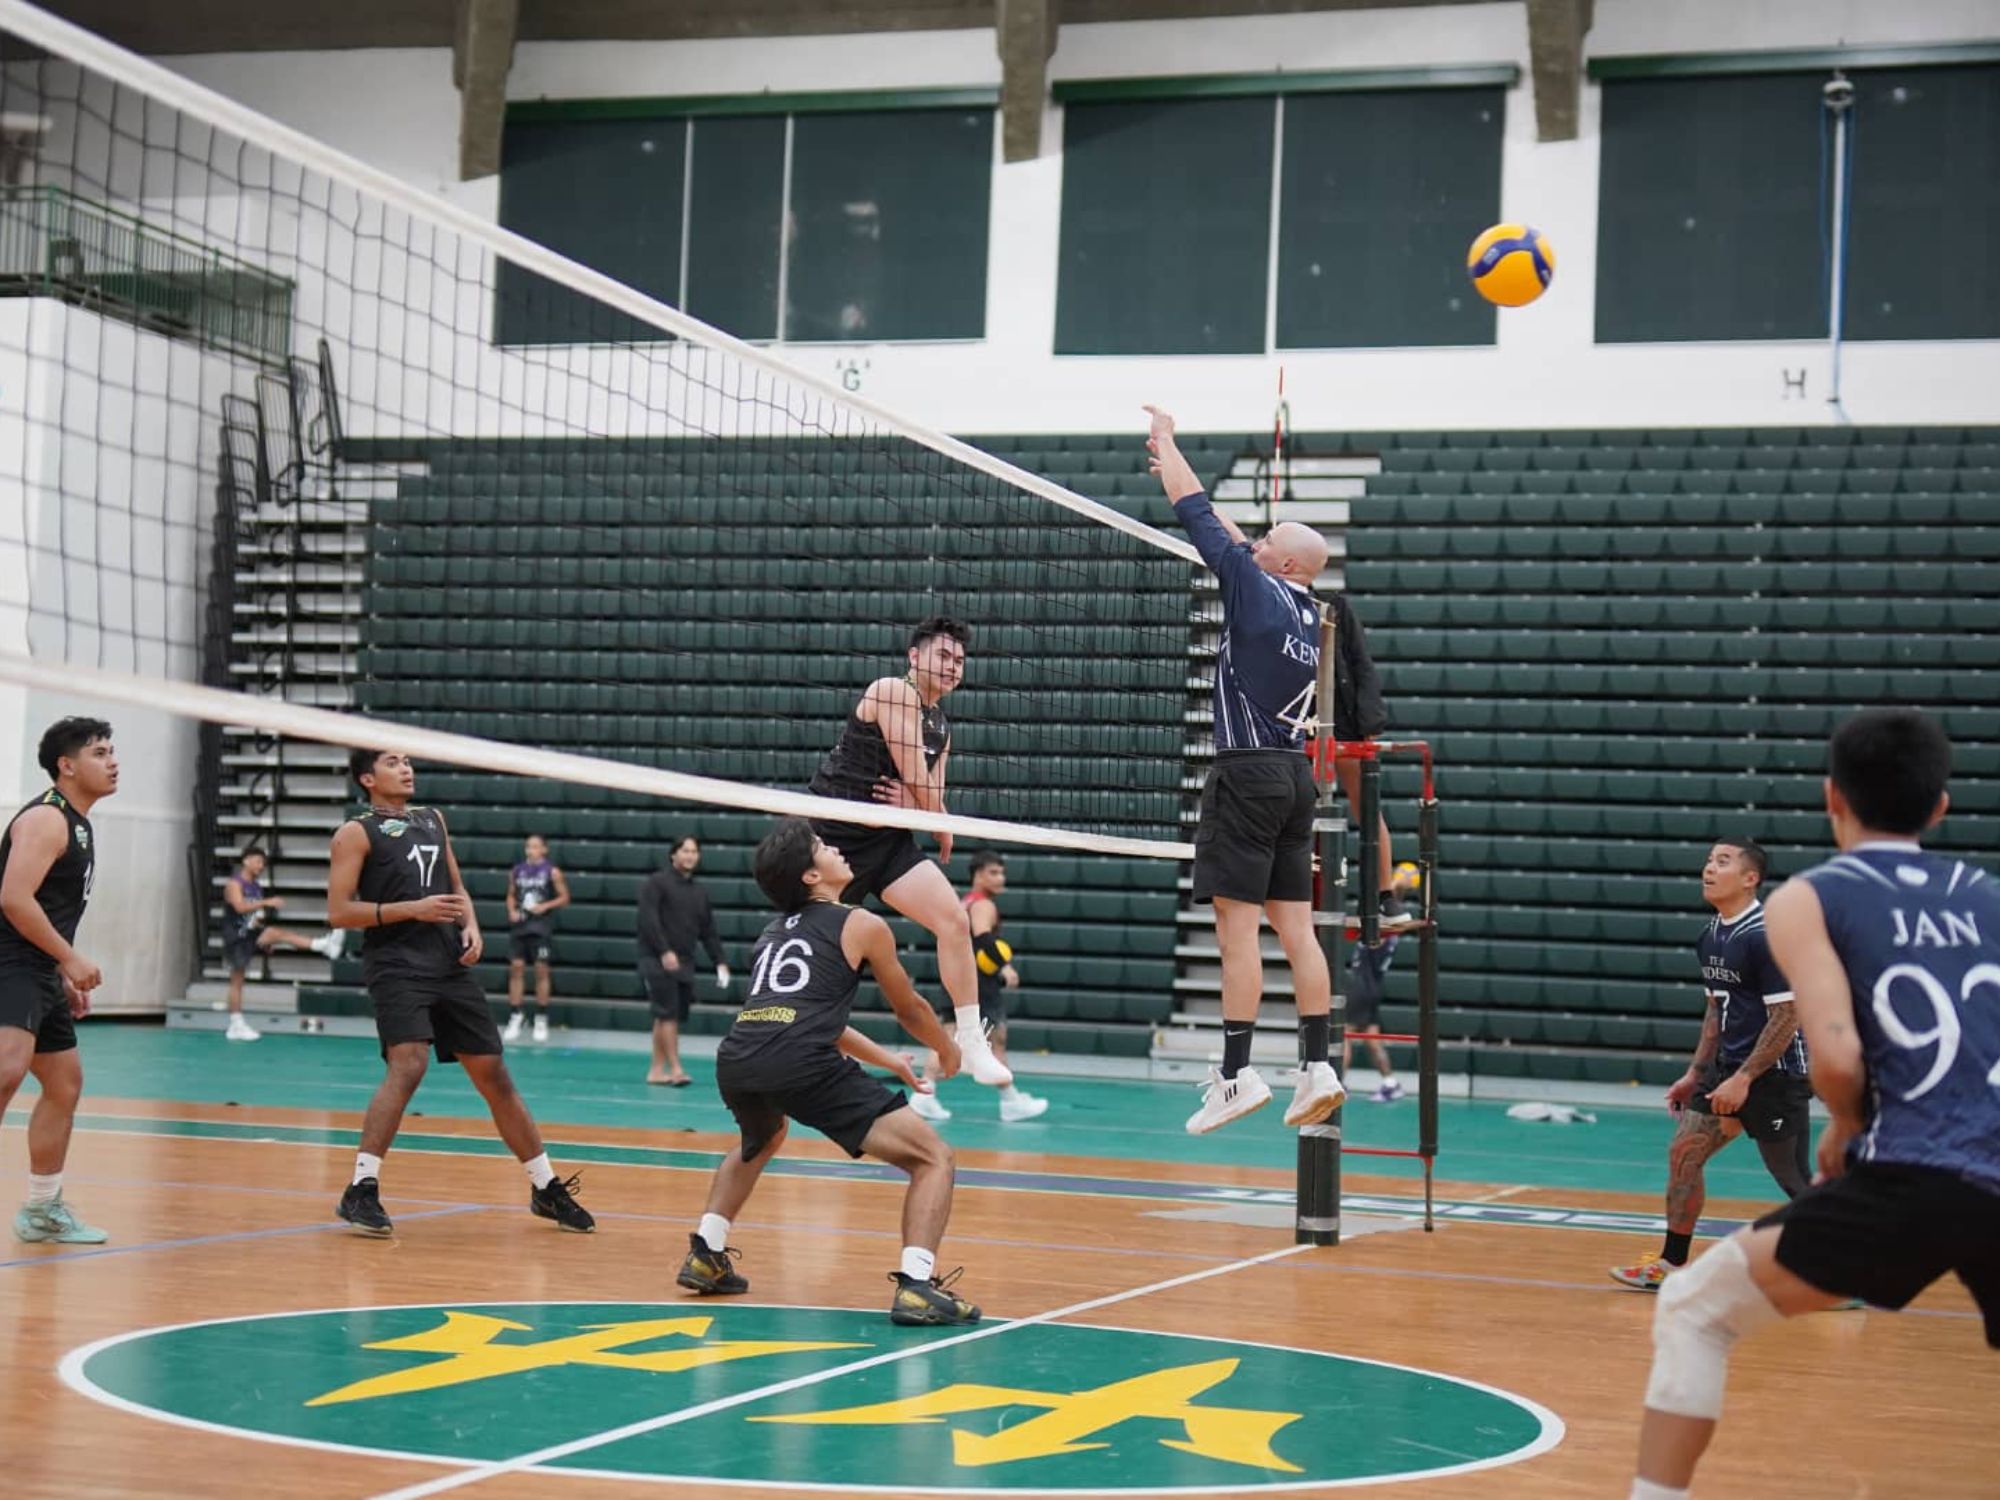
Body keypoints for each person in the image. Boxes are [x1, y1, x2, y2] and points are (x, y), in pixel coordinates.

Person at [1631, 709, 2000, 1500]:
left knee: (1696, 1310)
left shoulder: (1811, 899)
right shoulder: (1987, 893)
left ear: (1833, 798)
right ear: (1940, 807)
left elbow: (1834, 1053)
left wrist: (1850, 1127)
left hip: (1921, 1165)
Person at [675, 817, 981, 1326]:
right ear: (810, 877)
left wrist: (887, 1062)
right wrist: (948, 1049)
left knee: (761, 1140)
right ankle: (917, 1286)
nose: (835, 848)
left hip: (740, 1057)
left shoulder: (771, 933)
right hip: (797, 1061)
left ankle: (706, 1252)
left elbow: (808, 1018)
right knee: (934, 1158)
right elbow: (908, 1009)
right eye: (820, 846)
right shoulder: (861, 923)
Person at [1145, 404, 1345, 1134]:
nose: (1250, 544)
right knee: (1299, 932)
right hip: (1295, 781)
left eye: (1263, 542)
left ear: (1280, 563)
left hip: (1246, 774)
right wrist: (1252, 543)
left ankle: (1234, 1075)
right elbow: (1237, 543)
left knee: (1237, 932)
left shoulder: (1254, 588)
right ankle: (1318, 1066)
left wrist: (1167, 443)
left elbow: (1194, 509)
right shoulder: (1308, 608)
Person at [326, 750, 592, 1237]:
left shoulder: (433, 819)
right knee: (408, 1063)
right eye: (391, 762)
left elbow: (457, 886)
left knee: (494, 1073)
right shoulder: (354, 832)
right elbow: (340, 911)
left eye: (407, 761)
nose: (406, 768)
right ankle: (361, 1188)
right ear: (367, 778)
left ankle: (544, 1186)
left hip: (446, 962)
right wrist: (415, 909)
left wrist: (471, 925)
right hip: (396, 964)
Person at [806, 616, 1012, 1094]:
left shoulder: (941, 724)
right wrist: (930, 812)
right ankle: (802, 1042)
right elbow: (923, 788)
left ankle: (971, 1041)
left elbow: (929, 795)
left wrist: (929, 814)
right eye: (943, 655)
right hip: (834, 840)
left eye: (960, 660)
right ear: (914, 657)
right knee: (827, 962)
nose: (953, 666)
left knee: (953, 922)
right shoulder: (892, 692)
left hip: (888, 841)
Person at [1612, 838, 1812, 1292]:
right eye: (1707, 860)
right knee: (1684, 1154)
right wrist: (1696, 1074)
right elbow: (1716, 1011)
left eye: (1722, 862)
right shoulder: (1711, 934)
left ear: (1750, 878)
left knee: (1791, 1177)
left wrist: (1745, 1079)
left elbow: (1788, 1016)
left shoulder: (1765, 935)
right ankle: (1672, 1265)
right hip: (1728, 1070)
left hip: (1775, 1073)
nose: (1708, 868)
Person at [0, 718, 116, 1245]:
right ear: (67, 766)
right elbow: (14, 899)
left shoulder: (80, 823)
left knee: (64, 1084)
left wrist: (59, 970)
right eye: (99, 752)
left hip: (36, 965)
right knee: (6, 1069)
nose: (112, 761)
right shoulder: (49, 818)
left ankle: (43, 1210)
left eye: (112, 751)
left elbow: (44, 907)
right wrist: (70, 959)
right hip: (9, 959)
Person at [909, 850, 1048, 1124]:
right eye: (994, 872)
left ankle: (924, 1094)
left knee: (949, 1037)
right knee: (996, 1040)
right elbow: (983, 938)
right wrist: (1004, 966)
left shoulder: (965, 902)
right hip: (977, 985)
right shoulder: (983, 905)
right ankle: (1011, 1101)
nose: (1000, 878)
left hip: (956, 979)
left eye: (1001, 872)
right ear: (978, 875)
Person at [219, 845, 342, 1043]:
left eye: (263, 863)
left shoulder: (256, 886)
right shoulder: (235, 884)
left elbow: (252, 916)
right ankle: (235, 1024)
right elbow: (240, 907)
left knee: (277, 933)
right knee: (237, 981)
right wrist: (266, 902)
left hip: (250, 932)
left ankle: (322, 945)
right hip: (235, 937)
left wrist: (266, 940)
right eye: (258, 861)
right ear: (246, 860)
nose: (261, 866)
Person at [637, 835, 731, 1086]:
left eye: (694, 851)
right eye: (685, 850)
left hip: (685, 962)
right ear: (673, 854)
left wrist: (719, 961)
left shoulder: (699, 892)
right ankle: (676, 1069)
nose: (690, 855)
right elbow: (649, 920)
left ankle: (656, 1070)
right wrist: (664, 951)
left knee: (667, 1014)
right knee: (668, 1014)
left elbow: (708, 931)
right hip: (657, 960)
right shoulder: (657, 883)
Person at [1344, 862, 1422, 1101]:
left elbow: (1392, 904)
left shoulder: (1385, 930)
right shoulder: (1389, 930)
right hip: (1373, 987)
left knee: (1342, 1035)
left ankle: (1336, 1084)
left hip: (1362, 986)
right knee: (1371, 1038)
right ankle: (1391, 1083)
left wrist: (1398, 884)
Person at [502, 834, 570, 1044]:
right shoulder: (517, 871)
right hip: (520, 926)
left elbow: (564, 897)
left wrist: (545, 906)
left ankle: (541, 1016)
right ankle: (516, 1014)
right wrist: (511, 910)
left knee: (541, 970)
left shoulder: (552, 871)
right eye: (528, 846)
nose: (530, 850)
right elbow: (511, 894)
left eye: (535, 846)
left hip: (541, 928)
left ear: (544, 849)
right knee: (516, 968)